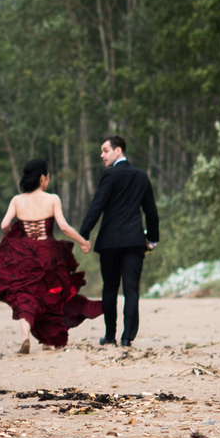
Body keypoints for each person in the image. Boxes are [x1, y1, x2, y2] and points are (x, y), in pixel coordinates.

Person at [0, 158, 100, 351]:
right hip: (47, 252)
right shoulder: (52, 199)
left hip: (23, 252)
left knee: (24, 294)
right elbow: (64, 227)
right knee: (50, 296)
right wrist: (82, 241)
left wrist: (15, 235)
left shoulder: (17, 200)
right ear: (42, 178)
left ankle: (25, 336)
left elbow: (4, 225)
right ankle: (49, 339)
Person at [75, 135, 161, 347]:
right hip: (134, 240)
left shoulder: (110, 175)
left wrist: (83, 234)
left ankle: (110, 335)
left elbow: (97, 206)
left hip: (110, 242)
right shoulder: (141, 176)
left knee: (110, 288)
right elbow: (150, 210)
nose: (102, 155)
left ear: (118, 151)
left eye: (105, 150)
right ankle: (127, 338)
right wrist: (152, 239)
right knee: (131, 289)